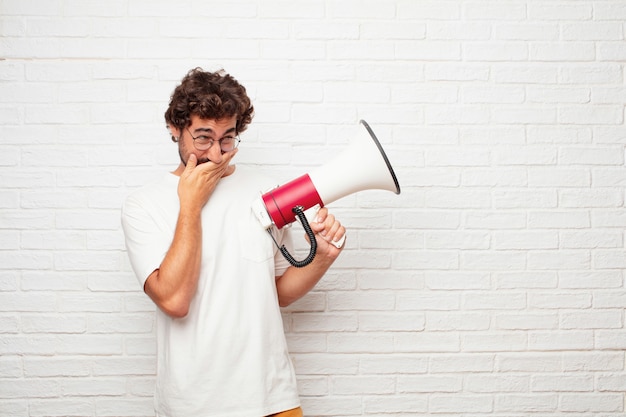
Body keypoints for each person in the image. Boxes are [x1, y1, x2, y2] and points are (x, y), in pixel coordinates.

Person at [121, 68, 346, 417]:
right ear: (174, 129)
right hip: (193, 404)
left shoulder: (266, 192)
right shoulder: (143, 205)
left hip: (273, 397)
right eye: (203, 137)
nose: (216, 154)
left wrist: (323, 256)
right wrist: (191, 204)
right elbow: (174, 300)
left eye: (228, 138)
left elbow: (278, 293)